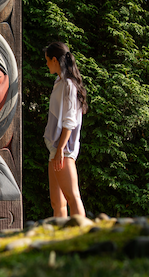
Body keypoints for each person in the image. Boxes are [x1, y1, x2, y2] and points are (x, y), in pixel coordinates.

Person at [43, 42, 87, 218]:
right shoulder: (59, 82)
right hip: (56, 148)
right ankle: (61, 240)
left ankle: (82, 238)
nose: (46, 64)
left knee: (72, 197)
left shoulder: (69, 84)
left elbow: (70, 121)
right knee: (57, 202)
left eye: (47, 60)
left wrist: (61, 148)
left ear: (55, 60)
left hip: (64, 149)